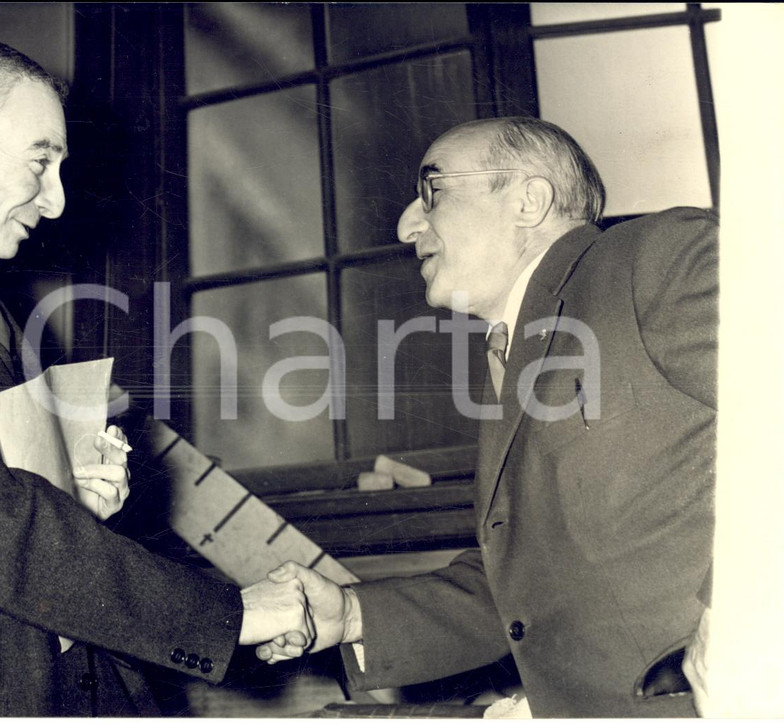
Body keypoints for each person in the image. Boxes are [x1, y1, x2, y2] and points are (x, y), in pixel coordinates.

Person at [0, 38, 311, 717]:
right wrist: (226, 616)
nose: (57, 201)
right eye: (41, 162)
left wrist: (74, 496)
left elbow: (3, 507)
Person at [257, 116, 717, 717]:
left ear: (529, 200)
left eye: (433, 191)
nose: (405, 226)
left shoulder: (656, 256)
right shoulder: (508, 353)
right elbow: (523, 593)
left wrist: (736, 620)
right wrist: (351, 616)